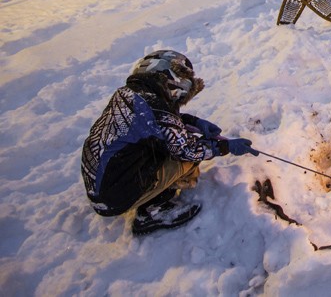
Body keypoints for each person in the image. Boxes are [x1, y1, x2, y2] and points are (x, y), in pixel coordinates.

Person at [81, 50, 258, 235]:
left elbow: (157, 124)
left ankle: (141, 191)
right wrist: (225, 147)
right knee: (187, 162)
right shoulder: (155, 106)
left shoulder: (131, 95)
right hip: (113, 197)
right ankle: (151, 211)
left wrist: (194, 123)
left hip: (102, 186)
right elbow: (188, 150)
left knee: (162, 147)